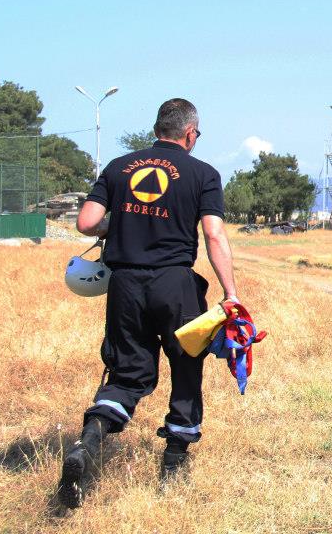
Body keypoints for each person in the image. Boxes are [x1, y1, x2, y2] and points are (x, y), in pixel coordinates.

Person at [58, 98, 238, 507]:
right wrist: (230, 294)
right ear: (190, 133)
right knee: (186, 367)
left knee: (127, 375)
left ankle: (88, 442)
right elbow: (213, 235)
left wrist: (117, 222)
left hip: (125, 287)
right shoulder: (203, 173)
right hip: (175, 286)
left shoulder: (119, 166)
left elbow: (86, 222)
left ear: (158, 128)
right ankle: (173, 462)